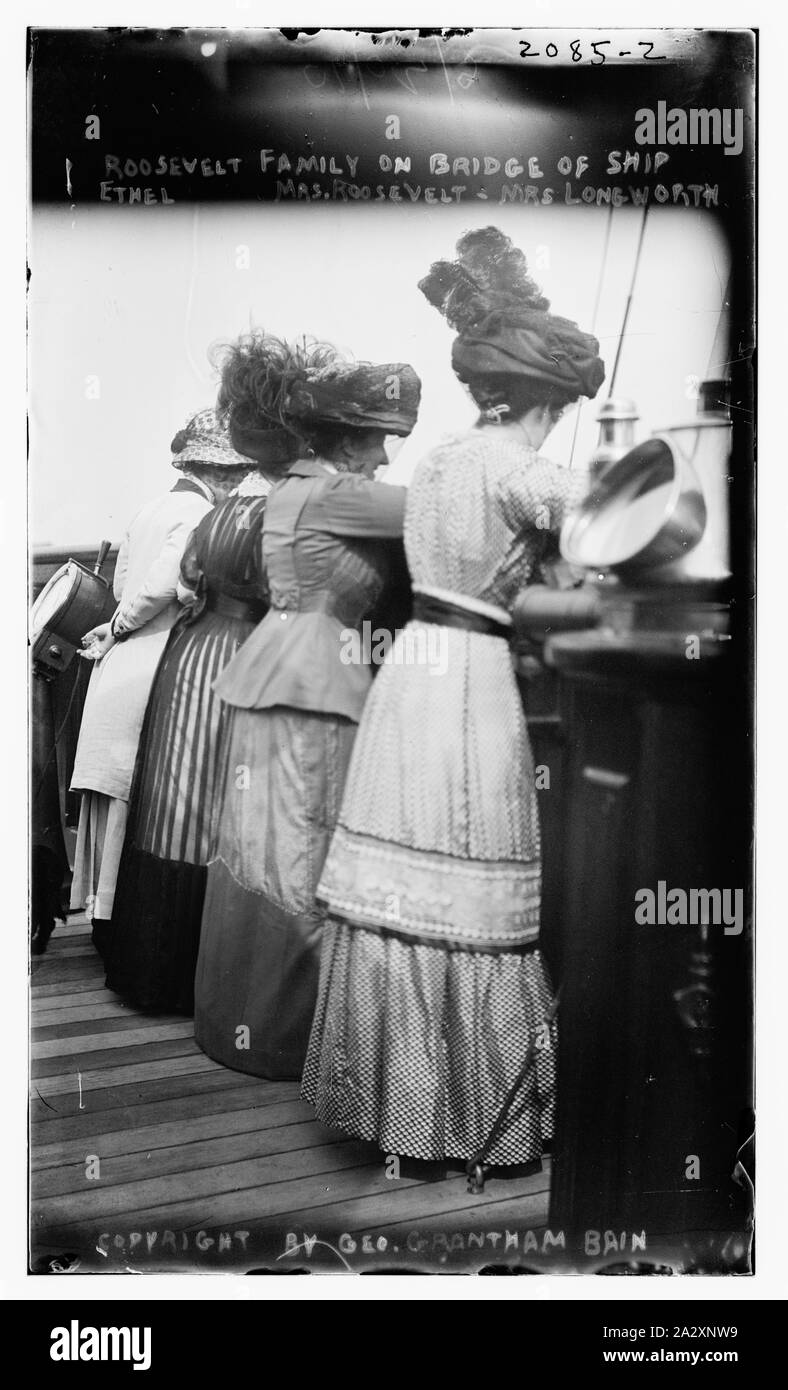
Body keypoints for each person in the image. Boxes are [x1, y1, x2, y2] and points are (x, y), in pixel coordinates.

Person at [302, 227, 605, 1170]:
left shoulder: (437, 461)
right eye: (560, 405)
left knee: (402, 880)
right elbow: (632, 538)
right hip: (472, 684)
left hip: (412, 677)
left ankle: (395, 1119)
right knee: (472, 882)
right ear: (546, 400)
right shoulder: (526, 472)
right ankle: (471, 1121)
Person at [194, 351, 421, 1080]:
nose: (386, 455)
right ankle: (301, 1039)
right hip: (318, 680)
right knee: (311, 846)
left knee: (264, 845)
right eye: (379, 439)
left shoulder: (292, 489)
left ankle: (246, 1023)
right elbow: (443, 512)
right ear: (343, 438)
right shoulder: (338, 494)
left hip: (273, 669)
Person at [105, 336, 302, 1013]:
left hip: (188, 655)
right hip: (239, 654)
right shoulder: (278, 511)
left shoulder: (220, 512)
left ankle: (144, 969)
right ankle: (197, 975)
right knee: (214, 802)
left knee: (171, 802)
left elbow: (186, 586)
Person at [69, 410, 248, 959]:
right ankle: (119, 915)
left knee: (113, 795)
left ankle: (103, 912)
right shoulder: (198, 512)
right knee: (135, 792)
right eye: (235, 473)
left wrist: (116, 627)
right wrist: (125, 624)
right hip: (152, 658)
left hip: (119, 662)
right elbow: (162, 586)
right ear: (215, 472)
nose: (239, 483)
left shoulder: (152, 507)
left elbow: (123, 582)